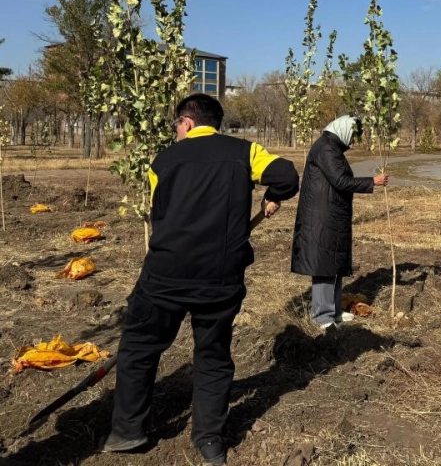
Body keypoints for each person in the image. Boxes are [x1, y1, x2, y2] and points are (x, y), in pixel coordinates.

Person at [103, 94, 300, 465]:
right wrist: (273, 195)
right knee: (212, 356)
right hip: (220, 278)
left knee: (139, 349)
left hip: (164, 276)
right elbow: (288, 176)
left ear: (187, 123)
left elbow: (159, 216)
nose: (175, 131)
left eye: (176, 124)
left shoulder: (162, 161)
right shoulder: (245, 152)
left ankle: (128, 431)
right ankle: (210, 440)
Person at [291, 116, 388, 328]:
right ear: (343, 130)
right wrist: (372, 182)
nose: (352, 141)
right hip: (322, 217)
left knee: (334, 263)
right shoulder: (326, 149)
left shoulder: (331, 147)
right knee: (325, 266)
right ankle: (322, 316)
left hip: (331, 215)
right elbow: (340, 181)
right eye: (352, 136)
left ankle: (333, 310)